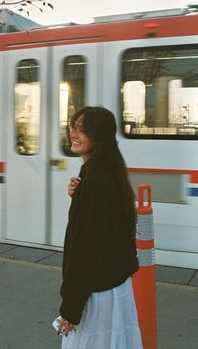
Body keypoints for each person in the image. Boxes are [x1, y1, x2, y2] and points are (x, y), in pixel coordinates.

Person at [58, 106, 143, 349]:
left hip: (97, 297)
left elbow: (85, 249)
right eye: (73, 127)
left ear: (100, 138)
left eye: (82, 130)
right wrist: (80, 194)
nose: (74, 134)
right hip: (115, 286)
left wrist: (71, 308)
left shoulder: (95, 182)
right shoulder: (109, 171)